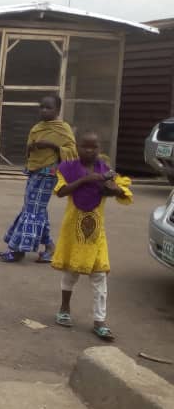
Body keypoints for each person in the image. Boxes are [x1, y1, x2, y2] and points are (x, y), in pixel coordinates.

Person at [52, 131, 131, 341]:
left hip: (96, 234)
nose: (90, 150)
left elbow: (122, 192)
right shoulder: (68, 168)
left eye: (94, 147)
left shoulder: (106, 170)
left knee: (100, 276)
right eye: (85, 146)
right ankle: (64, 309)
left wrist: (114, 189)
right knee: (71, 273)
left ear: (99, 148)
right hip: (73, 231)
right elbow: (61, 191)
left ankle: (100, 321)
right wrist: (87, 179)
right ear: (77, 147)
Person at [0, 94, 77, 263]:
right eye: (41, 107)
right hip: (35, 172)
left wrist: (52, 145)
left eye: (48, 107)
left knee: (32, 211)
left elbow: (71, 152)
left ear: (57, 110)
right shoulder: (37, 128)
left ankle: (19, 250)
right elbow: (29, 150)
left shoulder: (63, 129)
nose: (44, 110)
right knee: (34, 210)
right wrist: (32, 147)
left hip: (49, 174)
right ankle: (49, 247)